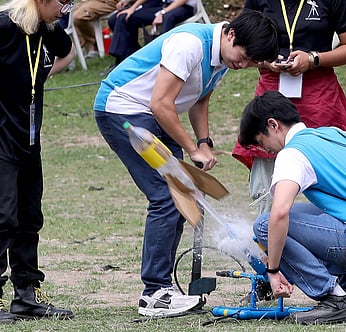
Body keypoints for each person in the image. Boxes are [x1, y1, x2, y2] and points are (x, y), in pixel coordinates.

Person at [93, 9, 279, 317]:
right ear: (230, 34)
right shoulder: (190, 44)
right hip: (123, 110)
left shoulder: (222, 57)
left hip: (154, 116)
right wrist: (191, 148)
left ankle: (162, 287)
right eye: (243, 56)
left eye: (249, 63)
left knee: (185, 194)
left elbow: (199, 99)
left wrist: (204, 143)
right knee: (166, 195)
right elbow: (160, 103)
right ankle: (154, 294)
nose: (242, 65)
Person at [238, 90, 346, 324]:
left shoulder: (292, 154)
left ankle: (337, 298)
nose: (267, 151)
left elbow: (279, 213)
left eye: (262, 143)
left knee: (265, 224)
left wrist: (272, 271)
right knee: (301, 215)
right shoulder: (330, 134)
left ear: (273, 125)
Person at [232, 0, 346, 214]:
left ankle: (326, 238)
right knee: (266, 185)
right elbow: (239, 44)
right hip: (272, 94)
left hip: (319, 96)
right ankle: (268, 236)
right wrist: (265, 61)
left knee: (327, 177)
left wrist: (313, 59)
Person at [0, 0, 76, 323]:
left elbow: (67, 50)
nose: (66, 9)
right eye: (63, 2)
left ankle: (27, 294)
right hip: (2, 138)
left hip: (29, 138)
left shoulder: (48, 29)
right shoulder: (5, 25)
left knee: (30, 216)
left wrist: (42, 75)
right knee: (3, 217)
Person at [108, 0, 196, 67]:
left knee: (167, 18)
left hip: (183, 6)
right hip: (164, 5)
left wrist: (162, 12)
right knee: (126, 17)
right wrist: (132, 6)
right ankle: (129, 58)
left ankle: (163, 61)